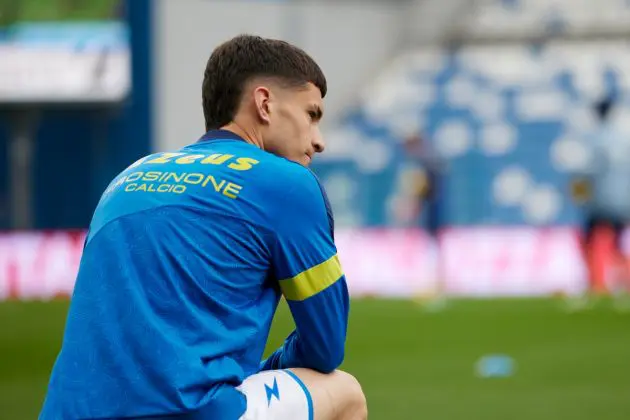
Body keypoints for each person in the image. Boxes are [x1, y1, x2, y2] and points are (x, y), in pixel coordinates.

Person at [40, 34, 367, 420]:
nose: (319, 141)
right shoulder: (287, 184)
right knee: (345, 393)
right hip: (192, 412)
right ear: (265, 104)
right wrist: (267, 367)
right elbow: (325, 347)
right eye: (312, 114)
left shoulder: (127, 177)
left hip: (67, 412)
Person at [573, 95, 630, 299]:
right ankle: (625, 282)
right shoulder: (624, 140)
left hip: (600, 203)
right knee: (616, 244)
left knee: (593, 241)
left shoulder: (592, 139)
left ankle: (597, 285)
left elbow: (583, 175)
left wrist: (579, 199)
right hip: (624, 204)